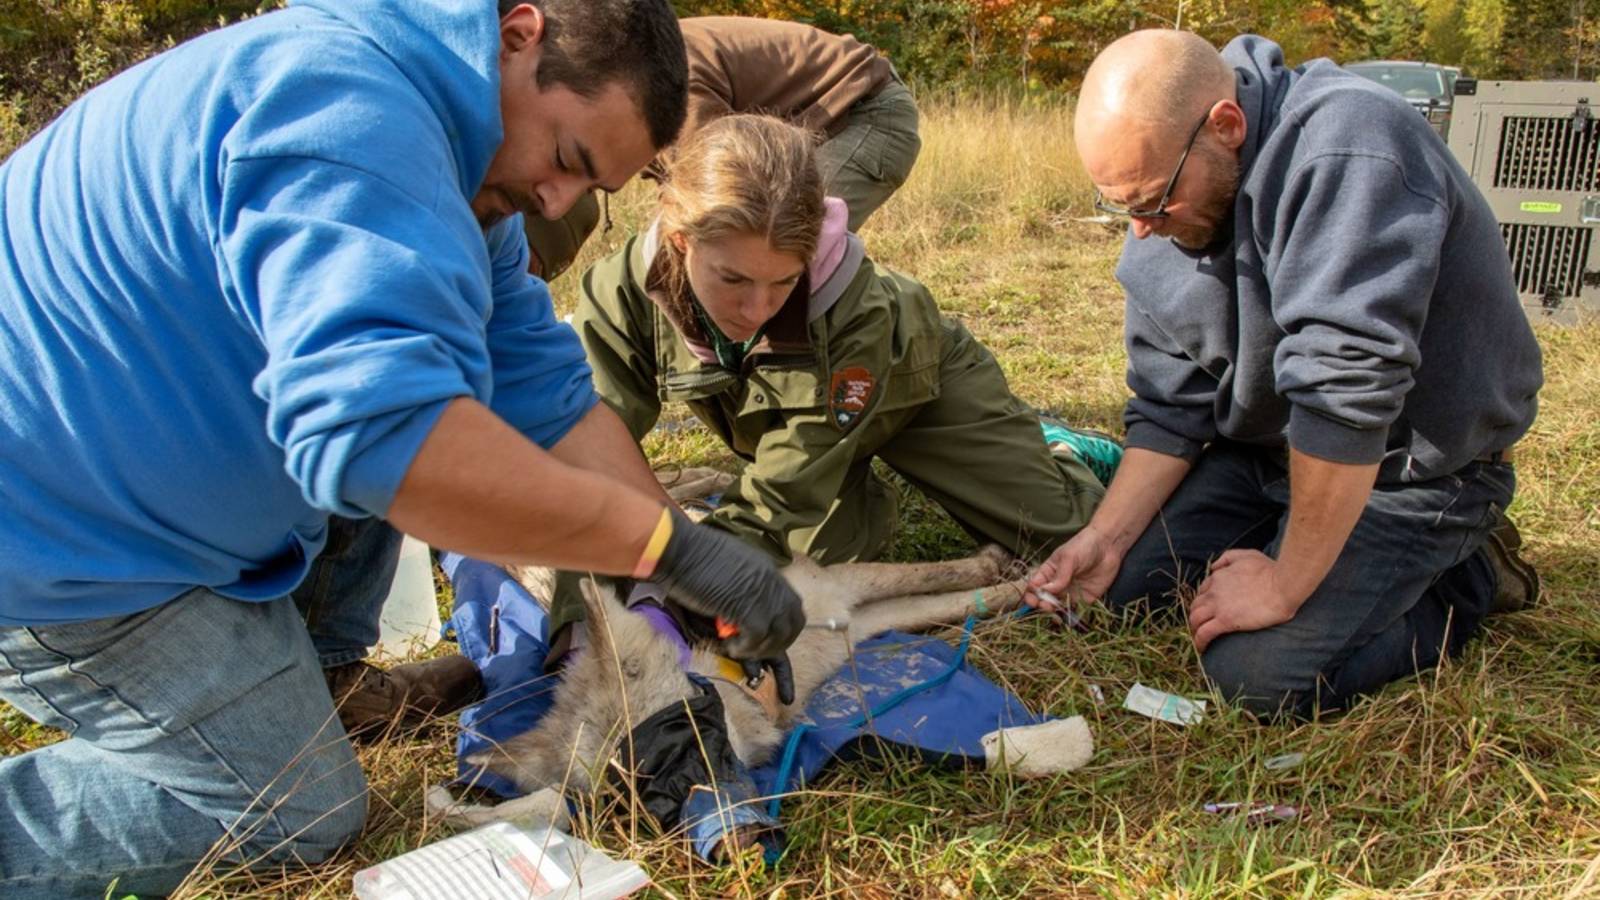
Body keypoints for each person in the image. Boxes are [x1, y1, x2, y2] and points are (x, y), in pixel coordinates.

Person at [0, 1, 807, 896]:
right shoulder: (346, 109)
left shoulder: (462, 167)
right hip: (60, 551)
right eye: (569, 159)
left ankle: (319, 676)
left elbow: (546, 398)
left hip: (144, 488)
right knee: (294, 809)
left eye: (591, 190)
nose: (556, 203)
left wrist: (670, 567)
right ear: (517, 37)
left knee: (439, 375)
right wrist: (663, 545)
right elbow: (385, 443)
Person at [1026, 29, 1544, 720]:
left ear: (1226, 125)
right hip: (1268, 454)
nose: (1142, 228)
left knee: (1254, 678)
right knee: (1128, 594)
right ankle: (1299, 538)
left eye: (1153, 202)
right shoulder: (1168, 198)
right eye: (1124, 208)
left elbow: (1346, 393)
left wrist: (1285, 583)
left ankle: (1467, 578)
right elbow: (1171, 405)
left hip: (1408, 470)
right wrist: (1106, 538)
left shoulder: (1349, 143)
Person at [557, 112, 1118, 648]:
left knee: (1070, 542)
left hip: (915, 387)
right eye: (733, 279)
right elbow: (581, 446)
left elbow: (785, 489)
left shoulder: (854, 307)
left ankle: (1061, 450)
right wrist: (580, 627)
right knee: (806, 584)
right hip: (807, 436)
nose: (757, 308)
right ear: (682, 241)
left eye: (783, 282)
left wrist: (700, 575)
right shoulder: (619, 295)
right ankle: (861, 492)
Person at [525, 15, 921, 280]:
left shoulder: (668, 82)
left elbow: (720, 188)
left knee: (779, 249)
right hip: (824, 117)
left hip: (864, 112)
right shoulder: (623, 75)